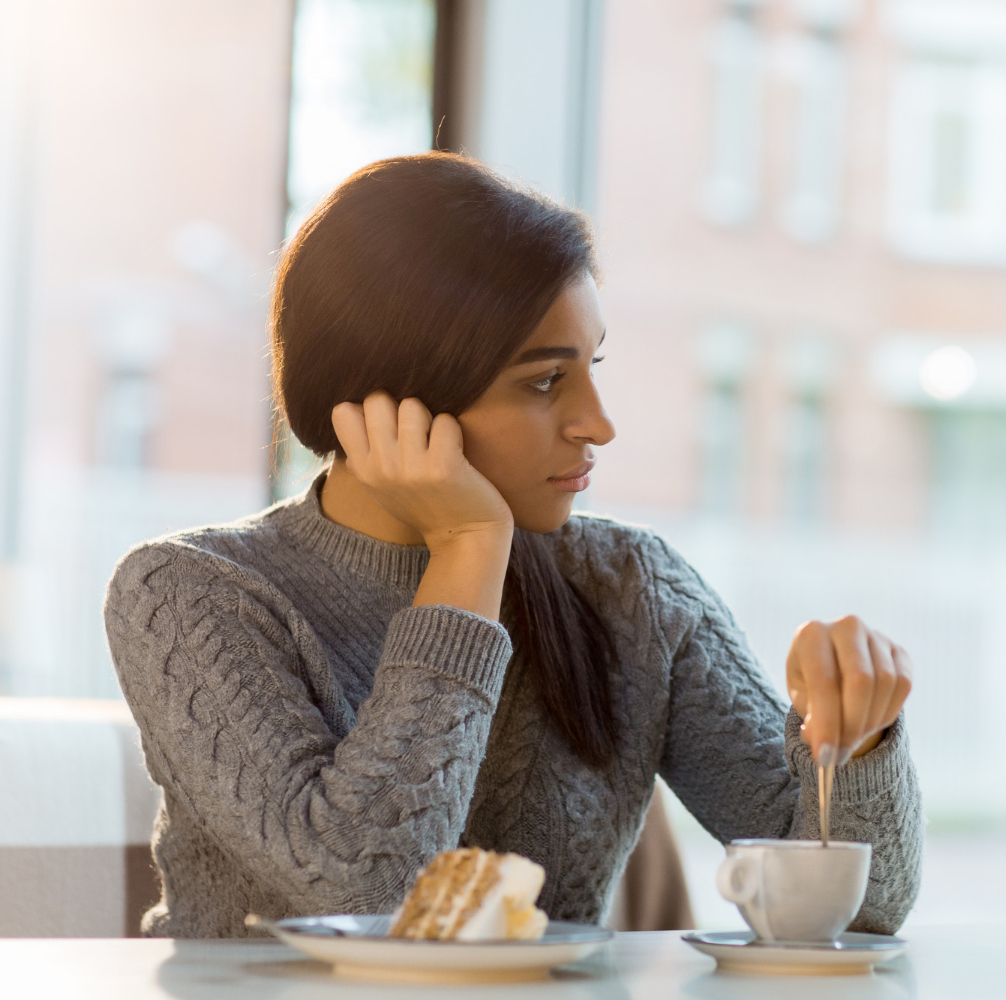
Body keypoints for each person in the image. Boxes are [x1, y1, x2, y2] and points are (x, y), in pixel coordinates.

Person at [105, 152, 923, 939]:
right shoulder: (188, 592)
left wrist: (857, 735)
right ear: (394, 395)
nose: (598, 423)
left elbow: (859, 909)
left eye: (593, 366)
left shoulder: (632, 586)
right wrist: (467, 547)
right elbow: (368, 893)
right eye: (544, 381)